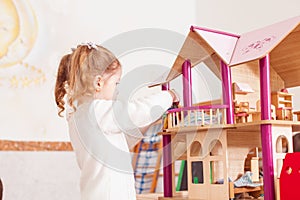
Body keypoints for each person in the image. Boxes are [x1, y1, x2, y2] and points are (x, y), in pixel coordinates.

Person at [54, 43, 178, 200]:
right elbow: (136, 111)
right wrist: (168, 96)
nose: (117, 90)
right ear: (98, 83)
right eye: (115, 83)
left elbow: (121, 141)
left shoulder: (84, 114)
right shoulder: (95, 111)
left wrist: (148, 123)